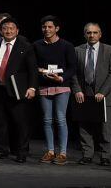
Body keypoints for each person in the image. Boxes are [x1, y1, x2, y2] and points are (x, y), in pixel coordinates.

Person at [0, 16, 37, 162]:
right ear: (0, 30)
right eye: (5, 28)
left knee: (20, 123)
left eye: (11, 28)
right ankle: (1, 150)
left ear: (17, 30)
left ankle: (21, 152)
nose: (8, 31)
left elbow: (33, 70)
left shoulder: (25, 47)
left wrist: (32, 87)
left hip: (17, 90)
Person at [71, 22, 111, 166]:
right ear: (85, 34)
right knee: (85, 127)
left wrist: (103, 92)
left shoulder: (110, 50)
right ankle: (87, 155)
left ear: (100, 34)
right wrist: (77, 90)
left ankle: (105, 156)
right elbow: (73, 73)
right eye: (89, 32)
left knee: (105, 128)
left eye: (95, 32)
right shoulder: (77, 50)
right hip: (84, 94)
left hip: (104, 95)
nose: (92, 35)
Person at [33, 15, 76, 165]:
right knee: (47, 119)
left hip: (62, 86)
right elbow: (33, 65)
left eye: (50, 27)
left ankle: (63, 153)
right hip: (44, 86)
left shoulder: (66, 46)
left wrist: (61, 78)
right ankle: (50, 151)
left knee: (60, 119)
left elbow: (72, 68)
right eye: (44, 27)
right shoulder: (37, 45)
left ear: (57, 28)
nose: (47, 29)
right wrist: (42, 71)